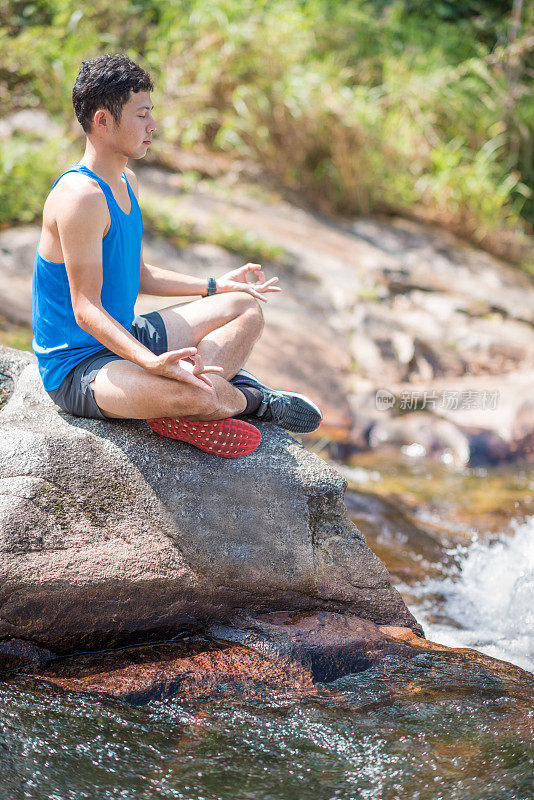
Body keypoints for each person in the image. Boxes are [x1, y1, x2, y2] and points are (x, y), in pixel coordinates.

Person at [32, 53, 322, 458]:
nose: (153, 126)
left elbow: (140, 275)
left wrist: (217, 285)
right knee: (198, 398)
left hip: (126, 335)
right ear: (102, 120)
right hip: (81, 368)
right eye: (141, 115)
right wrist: (151, 364)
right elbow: (85, 309)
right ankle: (251, 399)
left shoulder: (125, 181)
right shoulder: (80, 197)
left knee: (244, 306)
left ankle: (191, 390)